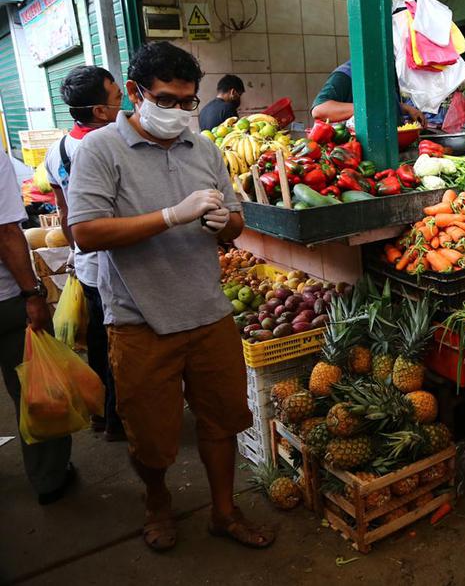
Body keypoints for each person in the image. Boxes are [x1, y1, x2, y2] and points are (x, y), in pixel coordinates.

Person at [67, 41, 274, 551]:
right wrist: (169, 217)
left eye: (187, 101)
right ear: (135, 93)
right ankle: (157, 504)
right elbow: (85, 233)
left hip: (208, 312)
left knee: (222, 421)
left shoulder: (203, 149)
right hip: (140, 320)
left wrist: (225, 223)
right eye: (166, 100)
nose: (179, 111)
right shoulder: (100, 150)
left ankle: (224, 511)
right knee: (151, 435)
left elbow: (236, 222)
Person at [45, 65, 126, 441]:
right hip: (117, 263)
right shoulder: (111, 146)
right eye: (117, 97)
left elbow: (63, 212)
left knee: (97, 340)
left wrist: (76, 251)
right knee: (120, 343)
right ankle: (118, 420)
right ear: (99, 111)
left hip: (87, 263)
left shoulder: (58, 149)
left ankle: (99, 413)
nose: (123, 103)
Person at [0, 152, 76, 504]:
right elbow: (5, 233)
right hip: (5, 302)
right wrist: (32, 293)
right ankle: (49, 478)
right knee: (34, 389)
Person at [311, 59, 426, 125]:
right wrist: (368, 109)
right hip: (351, 149)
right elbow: (319, 110)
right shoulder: (345, 75)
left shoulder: (388, 72)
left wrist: (405, 108)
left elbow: (382, 104)